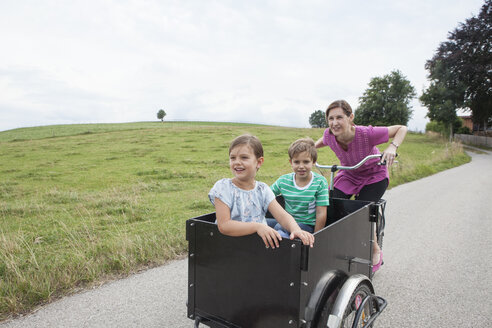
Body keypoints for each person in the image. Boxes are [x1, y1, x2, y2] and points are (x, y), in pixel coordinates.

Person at [314, 99, 407, 272]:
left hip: (374, 175)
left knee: (361, 210)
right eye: (331, 118)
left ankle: (375, 249)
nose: (334, 123)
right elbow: (321, 141)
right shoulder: (329, 135)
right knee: (329, 204)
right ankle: (329, 245)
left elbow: (402, 128)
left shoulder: (367, 134)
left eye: (339, 117)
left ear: (351, 117)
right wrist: (309, 149)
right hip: (349, 174)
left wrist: (392, 147)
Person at [209, 134, 315, 249]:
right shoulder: (223, 187)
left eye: (244, 157)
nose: (237, 162)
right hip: (229, 246)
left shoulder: (262, 190)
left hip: (259, 246)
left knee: (283, 239)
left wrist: (296, 230)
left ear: (259, 162)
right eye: (232, 158)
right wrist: (257, 227)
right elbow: (224, 226)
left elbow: (283, 216)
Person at [269, 138, 329, 235]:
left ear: (313, 162)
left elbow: (321, 213)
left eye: (306, 162)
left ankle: (278, 241)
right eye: (297, 162)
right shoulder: (283, 181)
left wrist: (316, 236)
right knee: (259, 223)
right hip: (287, 221)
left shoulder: (320, 182)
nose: (301, 166)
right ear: (291, 162)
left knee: (279, 229)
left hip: (306, 225)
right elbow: (266, 195)